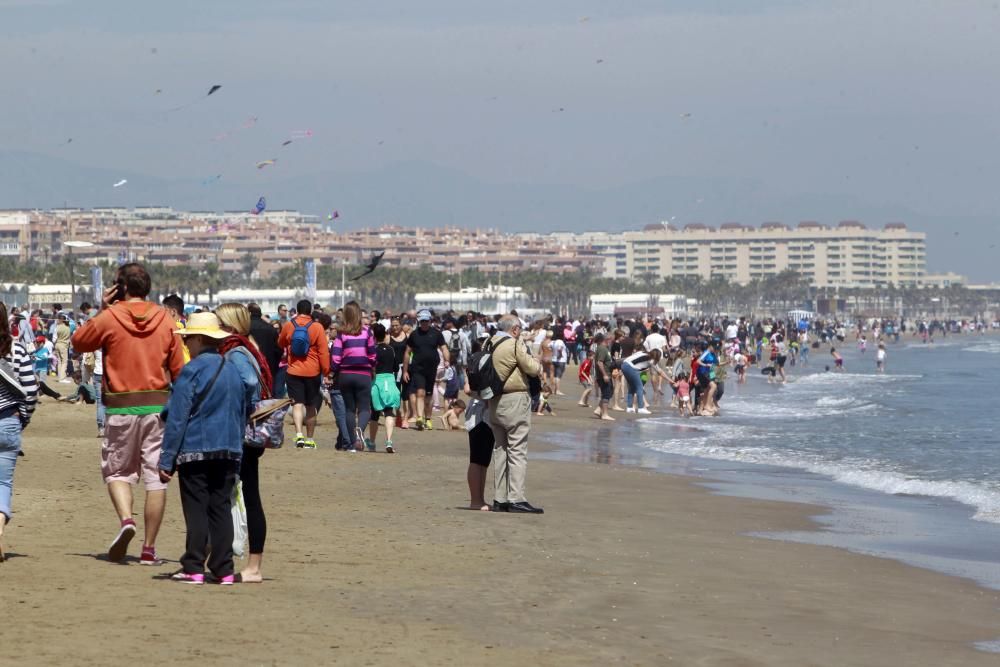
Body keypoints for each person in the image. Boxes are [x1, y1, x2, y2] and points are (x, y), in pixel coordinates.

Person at [71, 263, 185, 565]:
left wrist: (102, 309)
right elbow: (179, 369)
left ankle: (126, 520)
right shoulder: (165, 318)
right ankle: (149, 549)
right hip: (159, 406)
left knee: (118, 472)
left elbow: (79, 341)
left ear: (120, 288)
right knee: (155, 479)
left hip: (121, 405)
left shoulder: (110, 317)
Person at [158, 313, 253, 585]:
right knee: (220, 509)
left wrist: (167, 461)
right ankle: (223, 569)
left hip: (196, 450)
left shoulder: (192, 370)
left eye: (188, 338)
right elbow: (241, 412)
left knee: (197, 509)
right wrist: (237, 453)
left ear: (200, 339)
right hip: (228, 450)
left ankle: (194, 566)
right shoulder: (232, 369)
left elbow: (177, 417)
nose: (185, 343)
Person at [215, 303, 274, 584]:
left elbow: (250, 381)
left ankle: (251, 565)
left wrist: (242, 406)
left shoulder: (236, 351)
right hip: (248, 434)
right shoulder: (247, 347)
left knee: (239, 496)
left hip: (241, 433)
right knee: (245, 495)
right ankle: (249, 564)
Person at [486, 314, 543, 514]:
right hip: (515, 399)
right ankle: (516, 497)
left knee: (500, 450)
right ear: (515, 329)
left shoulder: (489, 342)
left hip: (493, 401)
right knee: (517, 450)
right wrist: (536, 360)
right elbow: (533, 368)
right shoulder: (513, 344)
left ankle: (499, 498)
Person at [0, 302, 39, 561]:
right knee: (3, 483)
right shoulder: (16, 349)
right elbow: (31, 390)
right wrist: (22, 417)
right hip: (8, 422)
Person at [277, 299, 330, 449]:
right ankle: (310, 439)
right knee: (311, 405)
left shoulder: (289, 325)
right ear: (310, 310)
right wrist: (326, 371)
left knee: (297, 404)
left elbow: (280, 343)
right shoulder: (317, 327)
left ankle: (299, 435)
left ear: (298, 310)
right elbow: (323, 352)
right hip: (313, 371)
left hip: (293, 370)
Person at [331, 301, 376, 452]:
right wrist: (371, 365)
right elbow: (372, 355)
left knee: (349, 409)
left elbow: (336, 357)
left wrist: (334, 371)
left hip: (346, 374)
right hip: (363, 374)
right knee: (364, 408)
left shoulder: (341, 333)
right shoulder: (367, 332)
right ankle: (359, 432)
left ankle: (351, 445)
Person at [402, 310, 449, 431]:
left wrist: (447, 360)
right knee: (420, 392)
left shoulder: (436, 334)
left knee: (429, 395)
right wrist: (405, 371)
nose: (424, 323)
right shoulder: (414, 334)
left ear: (430, 321)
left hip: (432, 368)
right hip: (418, 368)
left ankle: (428, 418)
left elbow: (444, 348)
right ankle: (419, 418)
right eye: (422, 321)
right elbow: (407, 353)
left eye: (426, 321)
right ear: (419, 321)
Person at [368, 322, 399, 453]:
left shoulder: (372, 350)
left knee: (374, 414)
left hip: (377, 381)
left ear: (373, 336)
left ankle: (372, 442)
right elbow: (396, 367)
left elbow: (370, 367)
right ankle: (389, 441)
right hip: (390, 380)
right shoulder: (391, 349)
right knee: (389, 412)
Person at [248, 303, 281, 396]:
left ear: (249, 313)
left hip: (250, 367)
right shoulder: (271, 329)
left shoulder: (245, 329)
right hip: (269, 368)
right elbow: (278, 350)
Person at [621, 349, 667, 415]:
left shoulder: (642, 352)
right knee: (639, 388)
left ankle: (629, 407)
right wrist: (670, 380)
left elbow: (634, 356)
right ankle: (641, 408)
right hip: (631, 367)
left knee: (631, 388)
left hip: (624, 364)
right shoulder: (651, 360)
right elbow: (660, 372)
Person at [592, 333, 615, 422]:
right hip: (603, 376)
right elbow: (599, 362)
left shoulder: (605, 349)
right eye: (611, 340)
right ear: (607, 339)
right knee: (606, 394)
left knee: (610, 391)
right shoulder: (602, 349)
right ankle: (604, 414)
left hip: (607, 374)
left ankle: (598, 410)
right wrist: (604, 374)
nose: (611, 342)